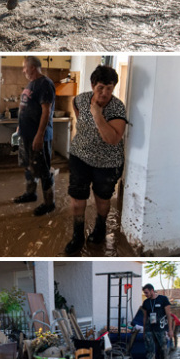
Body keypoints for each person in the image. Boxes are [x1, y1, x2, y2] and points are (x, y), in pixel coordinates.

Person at [64, 65, 128, 256]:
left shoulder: (117, 107)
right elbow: (78, 115)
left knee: (102, 199)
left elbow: (113, 139)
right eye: (101, 87)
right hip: (80, 157)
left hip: (108, 163)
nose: (105, 93)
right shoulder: (81, 99)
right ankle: (77, 235)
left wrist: (97, 115)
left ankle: (100, 227)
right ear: (93, 86)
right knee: (77, 199)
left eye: (109, 88)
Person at [14, 56, 57, 216]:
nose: (23, 70)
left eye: (25, 67)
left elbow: (46, 112)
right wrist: (21, 125)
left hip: (38, 136)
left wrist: (40, 135)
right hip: (27, 134)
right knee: (29, 166)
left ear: (32, 67)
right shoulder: (32, 84)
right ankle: (30, 194)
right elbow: (27, 106)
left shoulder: (45, 84)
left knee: (43, 170)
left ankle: (49, 203)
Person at [138, 284, 171, 359]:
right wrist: (144, 330)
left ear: (152, 290)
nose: (146, 294)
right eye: (144, 293)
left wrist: (170, 330)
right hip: (149, 329)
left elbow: (168, 315)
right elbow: (145, 317)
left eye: (147, 292)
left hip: (160, 328)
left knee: (163, 348)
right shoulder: (146, 303)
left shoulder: (163, 299)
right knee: (150, 350)